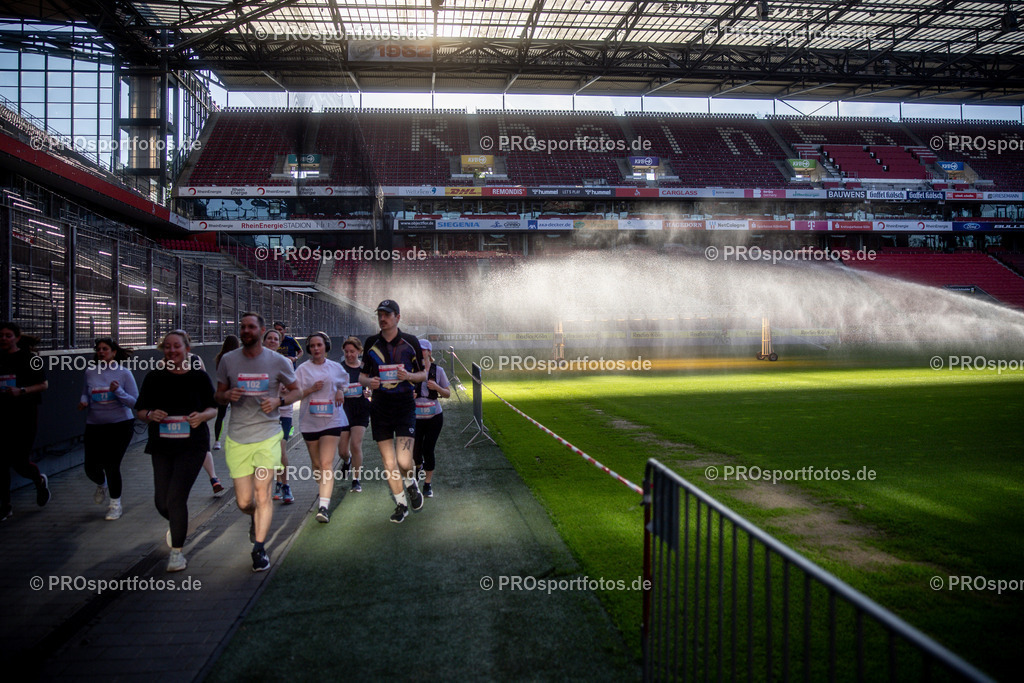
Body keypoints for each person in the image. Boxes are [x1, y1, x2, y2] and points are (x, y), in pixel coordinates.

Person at [216, 312, 300, 572]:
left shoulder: (278, 361)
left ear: (261, 331)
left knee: (263, 493)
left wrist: (279, 401)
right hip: (239, 436)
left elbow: (296, 390)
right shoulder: (228, 360)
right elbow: (218, 396)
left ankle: (259, 548)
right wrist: (227, 394)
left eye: (251, 327)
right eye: (242, 327)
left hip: (267, 435)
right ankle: (254, 517)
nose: (246, 330)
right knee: (244, 502)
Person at [135, 330, 217, 572]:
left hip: (192, 446)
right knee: (162, 502)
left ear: (187, 349)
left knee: (176, 497)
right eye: (167, 347)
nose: (172, 351)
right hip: (162, 445)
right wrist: (150, 415)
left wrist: (201, 416)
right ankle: (177, 524)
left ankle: (177, 553)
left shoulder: (199, 377)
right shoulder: (154, 377)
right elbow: (140, 411)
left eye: (177, 347)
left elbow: (213, 408)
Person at [360, 300, 427, 523]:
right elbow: (361, 376)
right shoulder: (371, 343)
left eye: (387, 314)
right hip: (379, 407)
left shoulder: (410, 342)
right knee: (388, 462)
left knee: (405, 461)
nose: (382, 318)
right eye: (380, 314)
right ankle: (401, 504)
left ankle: (411, 483)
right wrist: (370, 382)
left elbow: (423, 375)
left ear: (398, 317)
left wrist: (408, 376)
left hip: (404, 405)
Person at [77, 338, 139, 520]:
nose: (101, 352)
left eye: (105, 349)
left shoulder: (124, 373)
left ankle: (115, 504)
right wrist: (84, 401)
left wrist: (118, 391)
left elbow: (135, 402)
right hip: (95, 425)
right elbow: (85, 392)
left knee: (112, 464)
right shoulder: (90, 372)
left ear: (114, 352)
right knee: (90, 467)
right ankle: (101, 483)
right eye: (99, 349)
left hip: (120, 425)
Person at [0, 322, 50, 520]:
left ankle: (38, 481)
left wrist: (21, 391)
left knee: (19, 461)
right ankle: (5, 505)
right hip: (2, 415)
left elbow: (44, 384)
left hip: (24, 415)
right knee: (1, 462)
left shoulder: (31, 359)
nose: (4, 338)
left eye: (8, 335)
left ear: (17, 338)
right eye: (1, 335)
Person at [295, 332, 347, 523]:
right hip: (310, 422)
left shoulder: (335, 368)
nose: (316, 348)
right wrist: (311, 389)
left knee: (326, 463)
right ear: (309, 348)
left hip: (332, 420)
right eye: (313, 346)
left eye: (319, 345)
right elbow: (295, 394)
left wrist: (341, 391)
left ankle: (323, 506)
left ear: (326, 346)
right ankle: (323, 487)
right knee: (317, 465)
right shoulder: (302, 370)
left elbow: (345, 383)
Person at [413, 339, 450, 499]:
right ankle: (418, 466)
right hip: (415, 417)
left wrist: (437, 388)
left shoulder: (438, 370)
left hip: (434, 416)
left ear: (429, 352)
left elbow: (447, 393)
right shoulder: (412, 370)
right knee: (415, 451)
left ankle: (427, 484)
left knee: (428, 449)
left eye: (423, 350)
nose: (420, 352)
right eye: (418, 350)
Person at [264, 329, 294, 505]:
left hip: (283, 411)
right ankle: (276, 482)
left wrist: (287, 389)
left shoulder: (285, 362)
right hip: (264, 412)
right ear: (264, 340)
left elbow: (294, 386)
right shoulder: (256, 362)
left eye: (276, 339)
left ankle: (286, 485)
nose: (272, 341)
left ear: (280, 342)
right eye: (269, 338)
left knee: (281, 449)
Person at [339, 336, 369, 493]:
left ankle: (356, 480)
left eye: (352, 351)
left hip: (361, 409)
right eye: (346, 352)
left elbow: (372, 387)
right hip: (343, 410)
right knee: (342, 451)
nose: (349, 354)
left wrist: (369, 392)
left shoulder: (365, 368)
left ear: (359, 351)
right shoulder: (339, 368)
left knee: (356, 444)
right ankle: (347, 460)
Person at [212, 335, 240, 451]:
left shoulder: (220, 357)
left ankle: (217, 441)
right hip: (235, 389)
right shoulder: (239, 357)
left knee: (220, 416)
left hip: (223, 390)